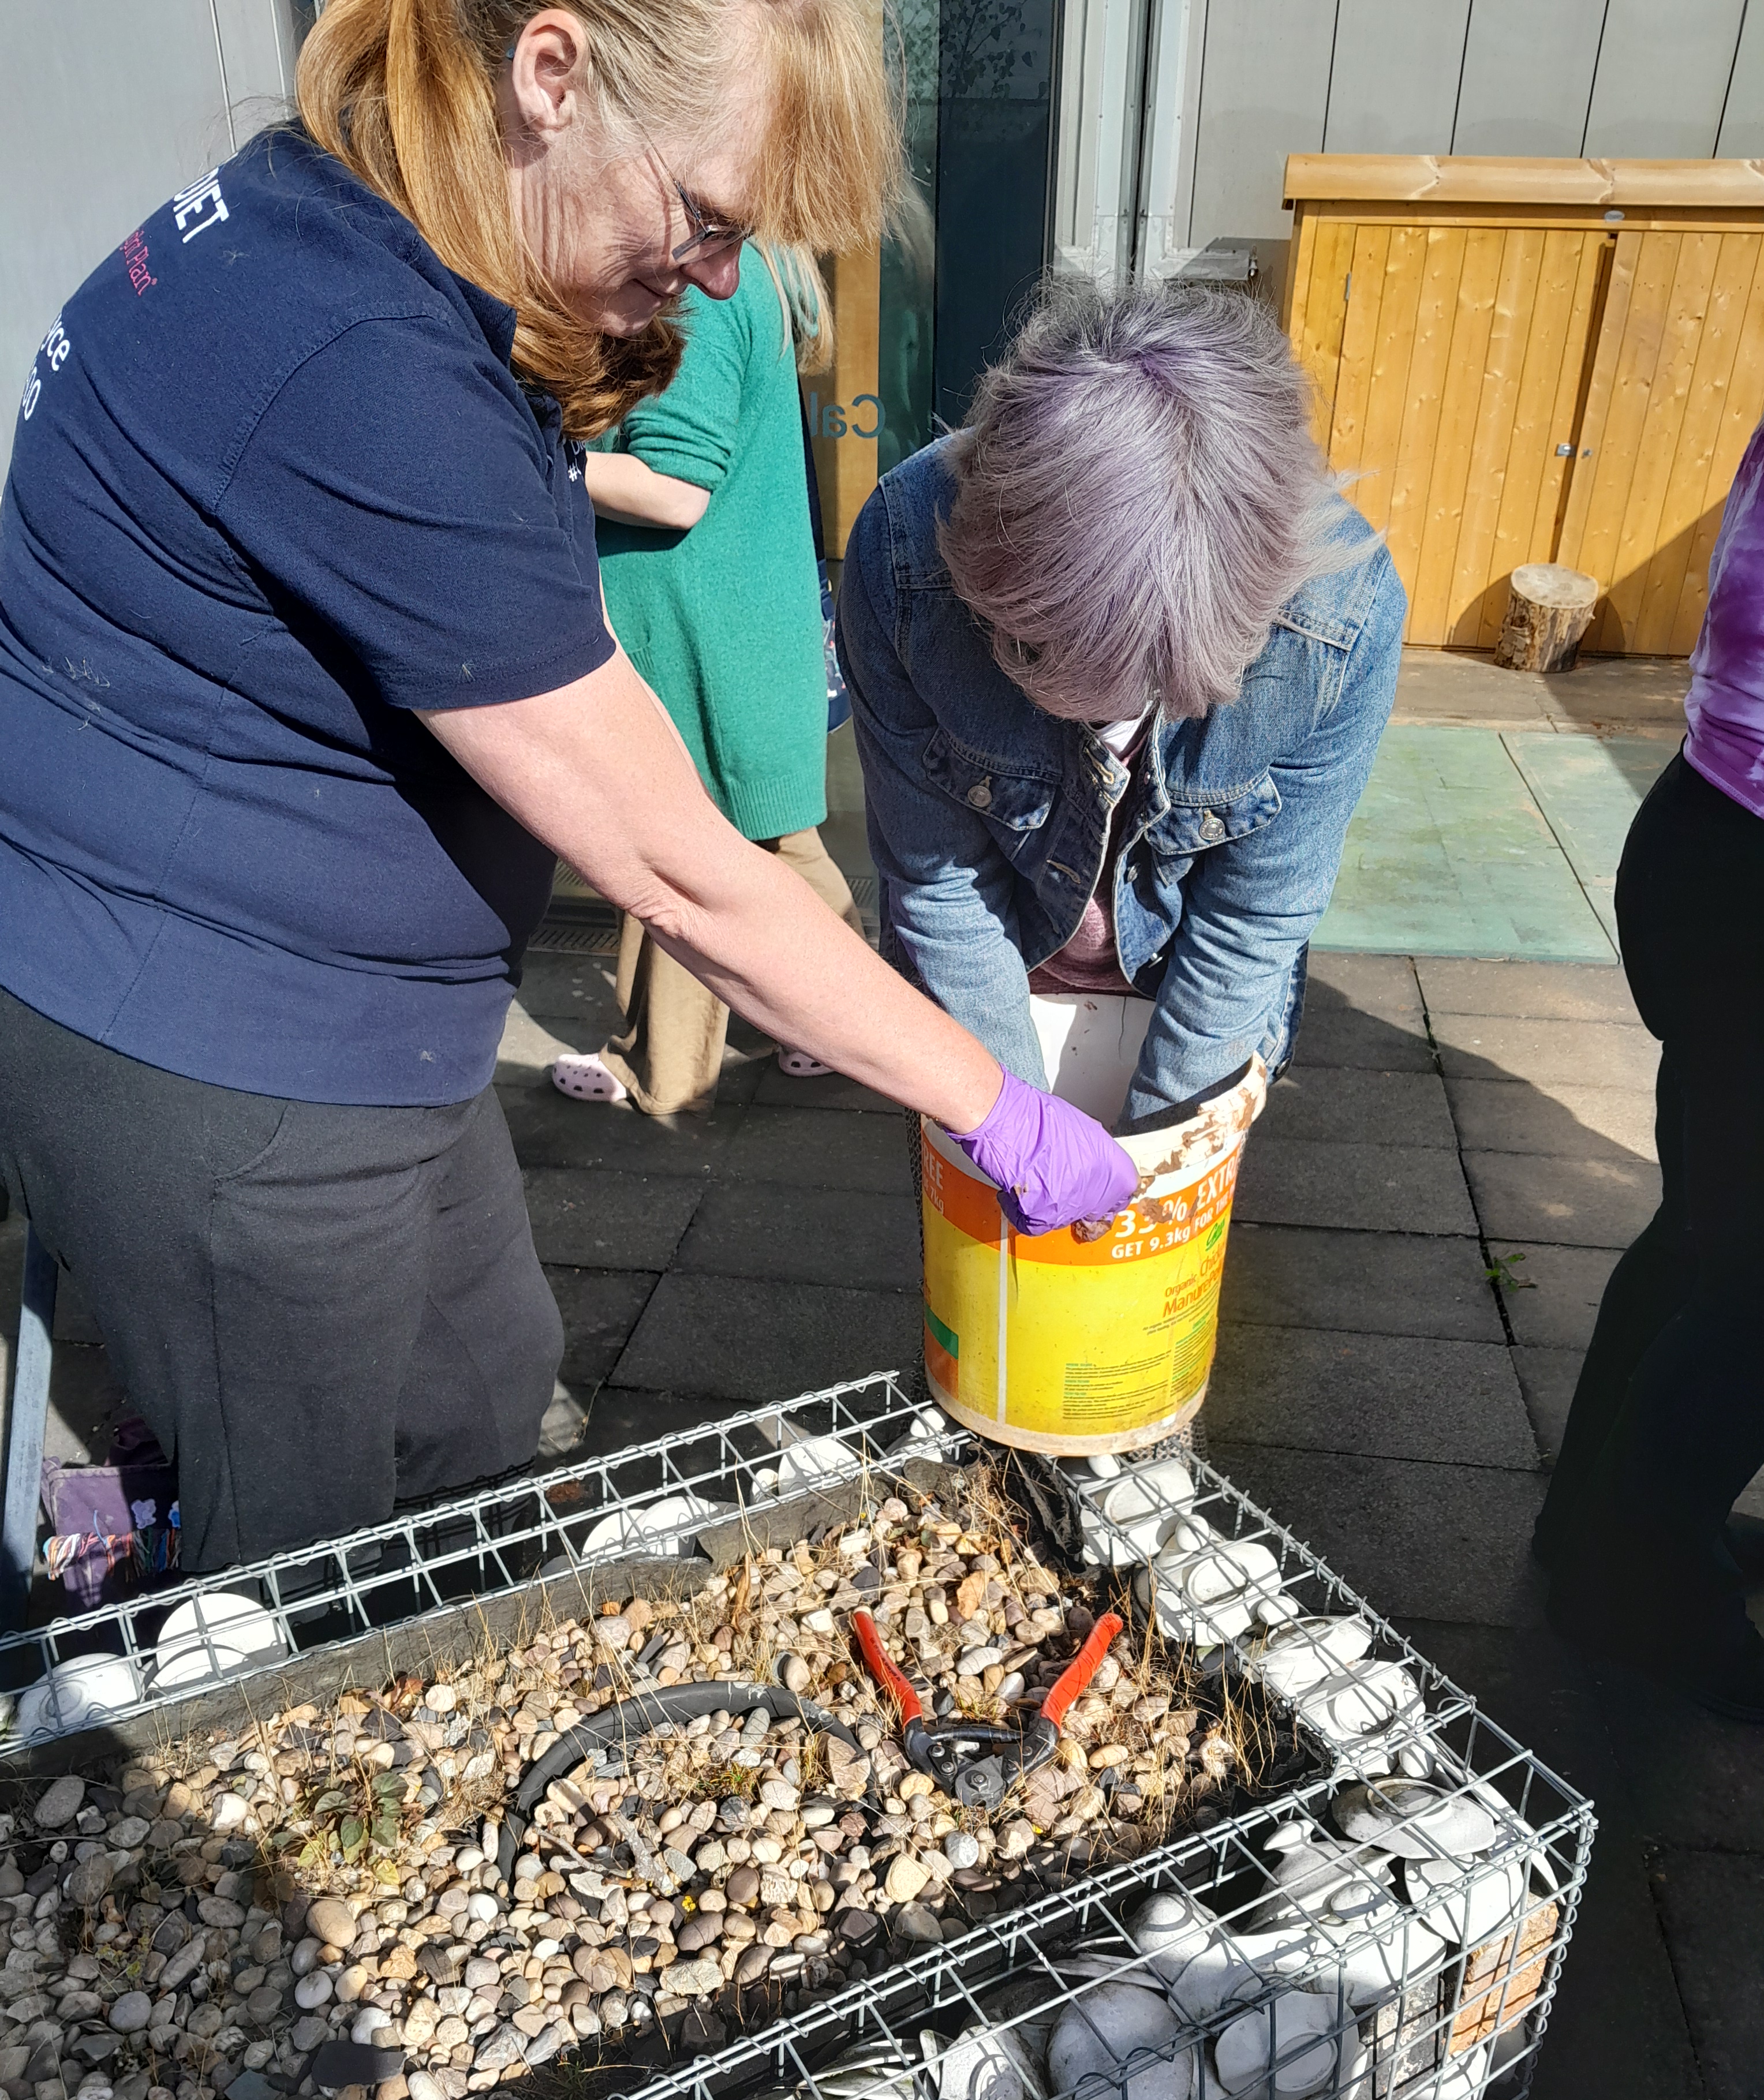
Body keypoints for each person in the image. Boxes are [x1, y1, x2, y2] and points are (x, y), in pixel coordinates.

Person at [0, 0, 1134, 1584]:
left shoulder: (362, 229)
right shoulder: (359, 355)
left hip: (364, 1017)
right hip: (213, 1045)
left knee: (484, 1390)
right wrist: (990, 1102)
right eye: (711, 218)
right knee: (299, 1545)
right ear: (551, 75)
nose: (723, 278)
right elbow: (681, 878)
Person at [839, 281, 1406, 1134]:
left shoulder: (1337, 616)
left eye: (1146, 688)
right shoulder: (904, 554)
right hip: (996, 966)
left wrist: (1157, 1148)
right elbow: (939, 881)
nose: (1103, 724)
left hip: (1190, 982)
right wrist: (1017, 1127)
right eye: (1041, 657)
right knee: (984, 1188)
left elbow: (1253, 917)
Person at [1533, 420, 1764, 1720]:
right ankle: (1639, 1585)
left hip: (1714, 837)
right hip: (1744, 868)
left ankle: (1601, 1525)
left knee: (1711, 1235)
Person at [551, 242, 857, 1114]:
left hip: (700, 632)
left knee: (687, 854)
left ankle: (664, 1076)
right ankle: (842, 1024)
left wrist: (540, 461)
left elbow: (674, 487)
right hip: (733, 622)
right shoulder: (750, 271)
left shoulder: (705, 290)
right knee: (769, 846)